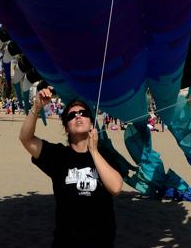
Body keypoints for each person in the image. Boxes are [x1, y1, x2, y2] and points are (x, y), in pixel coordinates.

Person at [19, 88, 123, 248]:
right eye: (72, 115)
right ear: (66, 127)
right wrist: (36, 107)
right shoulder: (58, 155)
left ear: (91, 123)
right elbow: (26, 139)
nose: (78, 116)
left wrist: (94, 151)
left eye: (83, 113)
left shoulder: (105, 155)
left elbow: (115, 187)